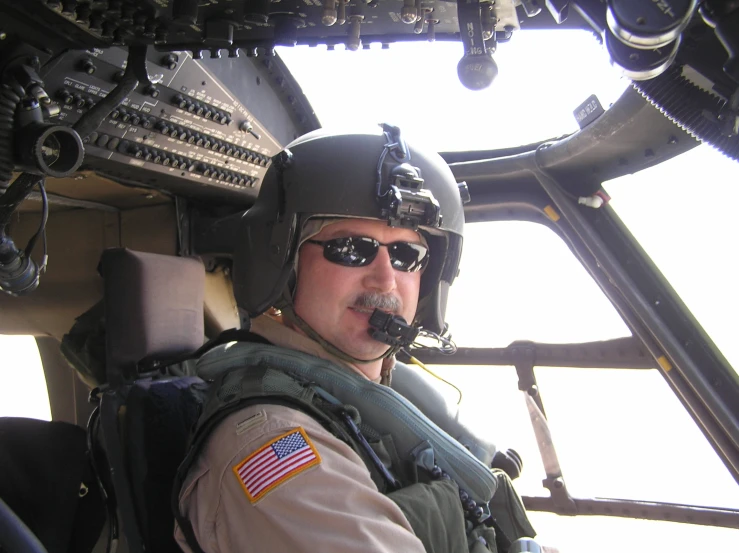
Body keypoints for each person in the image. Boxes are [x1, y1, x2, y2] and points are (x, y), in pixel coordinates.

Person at [173, 125, 535, 553]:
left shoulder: (369, 394)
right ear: (284, 266)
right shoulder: (276, 449)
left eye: (406, 255)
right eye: (350, 249)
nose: (386, 279)